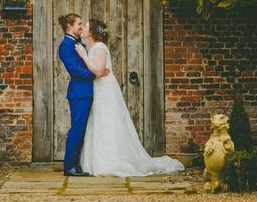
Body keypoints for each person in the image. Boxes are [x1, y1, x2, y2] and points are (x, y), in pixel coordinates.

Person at [76, 19, 184, 176]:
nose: (83, 28)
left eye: (85, 26)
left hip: (104, 89)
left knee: (107, 121)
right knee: (98, 121)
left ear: (91, 32)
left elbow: (99, 72)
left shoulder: (99, 47)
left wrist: (84, 56)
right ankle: (96, 161)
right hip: (98, 88)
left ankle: (112, 162)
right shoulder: (91, 47)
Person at [57, 13, 110, 176]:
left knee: (81, 130)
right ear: (69, 26)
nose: (81, 26)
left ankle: (75, 164)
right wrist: (95, 74)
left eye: (82, 24)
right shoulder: (66, 45)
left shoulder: (77, 42)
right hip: (79, 93)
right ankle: (69, 167)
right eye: (79, 24)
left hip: (85, 91)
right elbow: (73, 69)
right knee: (77, 129)